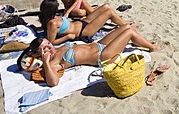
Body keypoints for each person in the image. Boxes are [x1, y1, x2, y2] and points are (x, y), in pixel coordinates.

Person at [17, 26, 158, 87]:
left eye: (49, 44)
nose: (50, 47)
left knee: (127, 28)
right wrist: (46, 62)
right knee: (129, 33)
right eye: (45, 48)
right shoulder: (53, 62)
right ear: (39, 54)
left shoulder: (56, 50)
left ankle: (144, 42)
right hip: (103, 56)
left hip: (99, 45)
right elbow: (53, 82)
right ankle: (152, 47)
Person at [38, 0, 130, 45]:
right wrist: (68, 37)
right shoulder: (52, 23)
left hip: (83, 23)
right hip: (84, 31)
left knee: (106, 7)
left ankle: (124, 24)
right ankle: (125, 26)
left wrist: (65, 16)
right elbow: (51, 41)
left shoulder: (54, 17)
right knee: (109, 12)